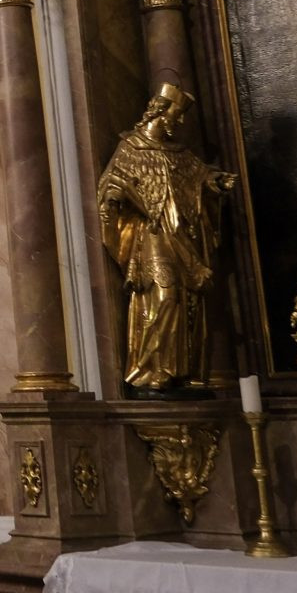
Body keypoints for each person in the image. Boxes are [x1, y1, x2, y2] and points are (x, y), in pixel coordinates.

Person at [95, 83, 236, 394]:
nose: (180, 121)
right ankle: (151, 369)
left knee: (188, 301)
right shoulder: (130, 147)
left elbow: (200, 178)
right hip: (154, 236)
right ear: (159, 110)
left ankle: (180, 371)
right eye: (176, 113)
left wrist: (215, 183)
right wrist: (113, 199)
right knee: (164, 296)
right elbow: (111, 184)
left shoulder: (181, 154)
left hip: (184, 237)